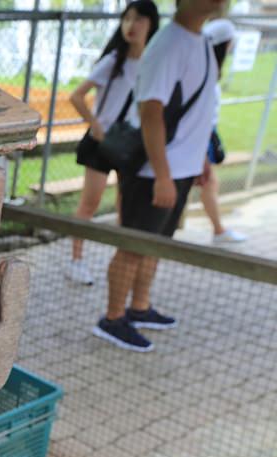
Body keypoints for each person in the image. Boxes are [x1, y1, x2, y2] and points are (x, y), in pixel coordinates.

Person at [93, 0, 225, 353]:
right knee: (134, 246)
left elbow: (199, 109)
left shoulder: (201, 43)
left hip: (179, 168)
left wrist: (199, 160)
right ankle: (113, 317)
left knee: (156, 244)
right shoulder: (168, 44)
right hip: (155, 172)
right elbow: (151, 113)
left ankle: (140, 306)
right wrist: (163, 175)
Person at [67, 0, 159, 285]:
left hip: (131, 145)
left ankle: (120, 265)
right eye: (127, 19)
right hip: (102, 144)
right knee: (89, 204)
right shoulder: (114, 60)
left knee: (125, 208)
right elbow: (77, 96)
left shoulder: (155, 63)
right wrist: (96, 126)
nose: (131, 25)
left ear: (151, 24)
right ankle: (76, 261)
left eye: (139, 19)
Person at [198, 17, 248, 244]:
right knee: (207, 182)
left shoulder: (209, 69)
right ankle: (218, 231)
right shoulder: (206, 73)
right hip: (200, 136)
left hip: (205, 134)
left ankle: (218, 230)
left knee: (209, 183)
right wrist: (201, 156)